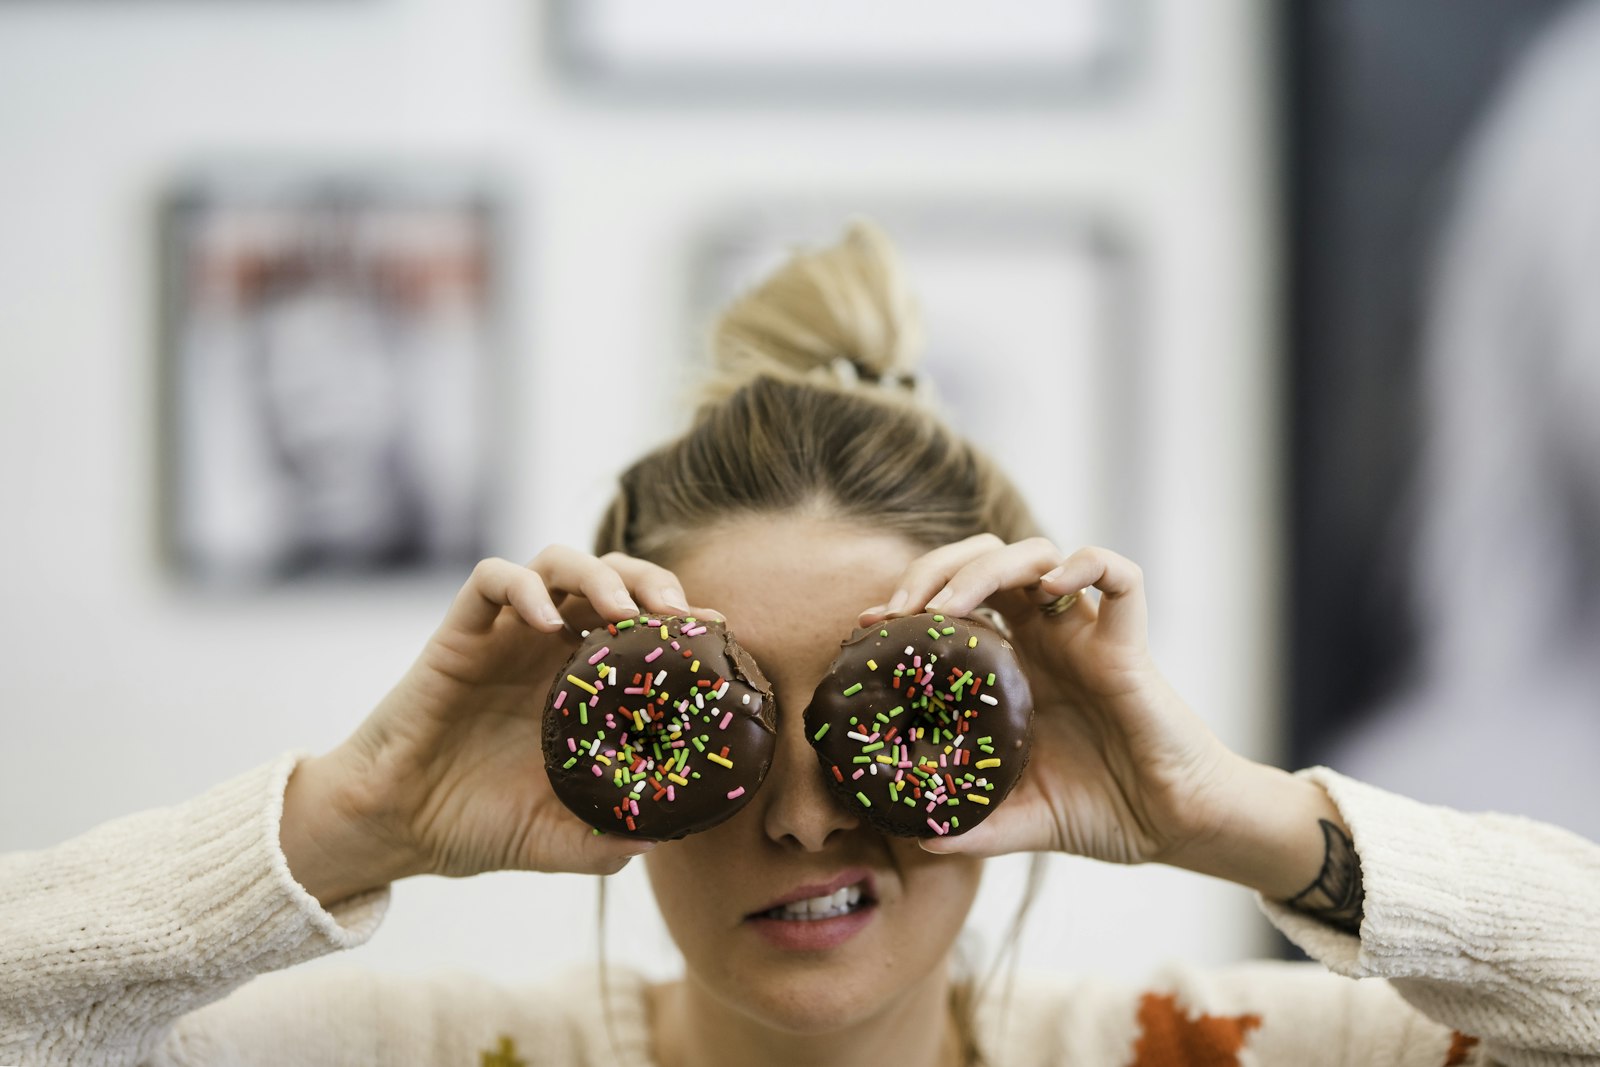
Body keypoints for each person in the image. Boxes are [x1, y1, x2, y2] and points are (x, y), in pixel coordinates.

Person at [3, 224, 1598, 1067]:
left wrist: (1238, 817)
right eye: (723, 722)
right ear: (605, 725)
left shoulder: (1215, 1057)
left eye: (873, 714)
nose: (803, 810)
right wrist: (353, 819)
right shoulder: (400, 1057)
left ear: (1026, 727)